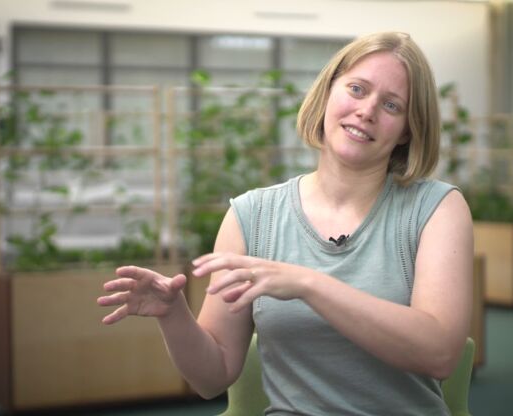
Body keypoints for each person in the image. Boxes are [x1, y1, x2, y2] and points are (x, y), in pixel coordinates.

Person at [98, 31, 473, 415]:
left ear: (408, 130)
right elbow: (212, 377)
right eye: (357, 89)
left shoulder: (437, 208)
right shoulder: (252, 215)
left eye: (392, 105)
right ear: (327, 92)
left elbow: (440, 353)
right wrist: (174, 315)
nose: (367, 110)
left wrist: (309, 284)